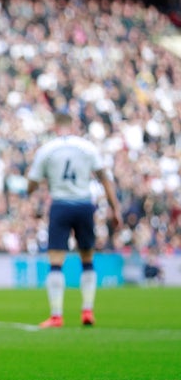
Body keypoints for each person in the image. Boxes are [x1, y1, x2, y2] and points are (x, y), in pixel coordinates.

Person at [26, 112, 122, 328]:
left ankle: (57, 315)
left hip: (60, 205)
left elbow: (31, 184)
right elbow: (104, 178)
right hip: (84, 205)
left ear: (55, 126)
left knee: (56, 260)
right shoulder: (87, 147)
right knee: (87, 257)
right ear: (72, 125)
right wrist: (115, 209)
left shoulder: (47, 149)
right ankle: (87, 310)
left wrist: (41, 183)